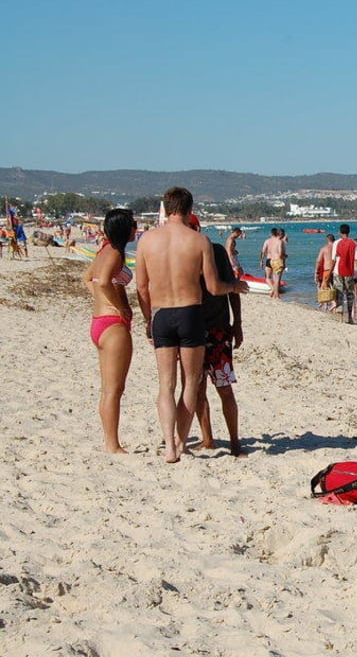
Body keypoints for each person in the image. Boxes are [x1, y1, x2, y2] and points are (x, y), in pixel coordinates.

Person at [135, 187, 248, 464]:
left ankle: (170, 449)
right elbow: (213, 286)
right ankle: (180, 441)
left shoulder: (146, 241)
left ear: (165, 207)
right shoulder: (199, 241)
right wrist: (235, 286)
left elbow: (141, 286)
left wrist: (148, 319)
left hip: (161, 314)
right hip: (190, 314)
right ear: (189, 209)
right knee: (190, 384)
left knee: (165, 386)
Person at [83, 208, 137, 454]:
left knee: (108, 389)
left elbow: (87, 278)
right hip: (113, 325)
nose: (137, 228)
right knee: (115, 389)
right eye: (134, 224)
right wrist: (119, 307)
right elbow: (103, 281)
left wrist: (102, 301)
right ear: (127, 230)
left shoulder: (104, 250)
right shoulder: (114, 252)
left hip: (99, 322)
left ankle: (110, 441)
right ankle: (112, 444)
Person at [195, 241, 246, 457]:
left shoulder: (215, 250)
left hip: (217, 328)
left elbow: (232, 288)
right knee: (198, 389)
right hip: (193, 329)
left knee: (223, 388)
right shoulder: (183, 251)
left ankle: (235, 443)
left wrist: (237, 323)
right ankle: (208, 439)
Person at [330, 224, 357, 323]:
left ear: (340, 232)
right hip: (349, 271)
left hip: (337, 270)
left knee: (339, 293)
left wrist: (330, 271)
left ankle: (340, 318)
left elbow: (333, 259)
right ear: (349, 232)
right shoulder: (353, 244)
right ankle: (350, 318)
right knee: (349, 294)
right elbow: (356, 260)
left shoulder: (336, 243)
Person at [259, 227, 285, 299]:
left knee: (267, 278)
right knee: (276, 279)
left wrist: (261, 260)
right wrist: (285, 256)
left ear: (270, 233)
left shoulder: (267, 241)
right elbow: (280, 253)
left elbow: (263, 251)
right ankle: (275, 292)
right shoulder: (279, 241)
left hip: (268, 260)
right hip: (276, 260)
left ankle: (273, 290)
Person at [314, 233, 336, 311]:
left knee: (324, 287)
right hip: (336, 270)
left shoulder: (324, 248)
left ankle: (332, 304)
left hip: (327, 270)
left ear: (327, 240)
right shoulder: (337, 248)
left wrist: (316, 271)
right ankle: (331, 305)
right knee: (334, 287)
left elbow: (318, 261)